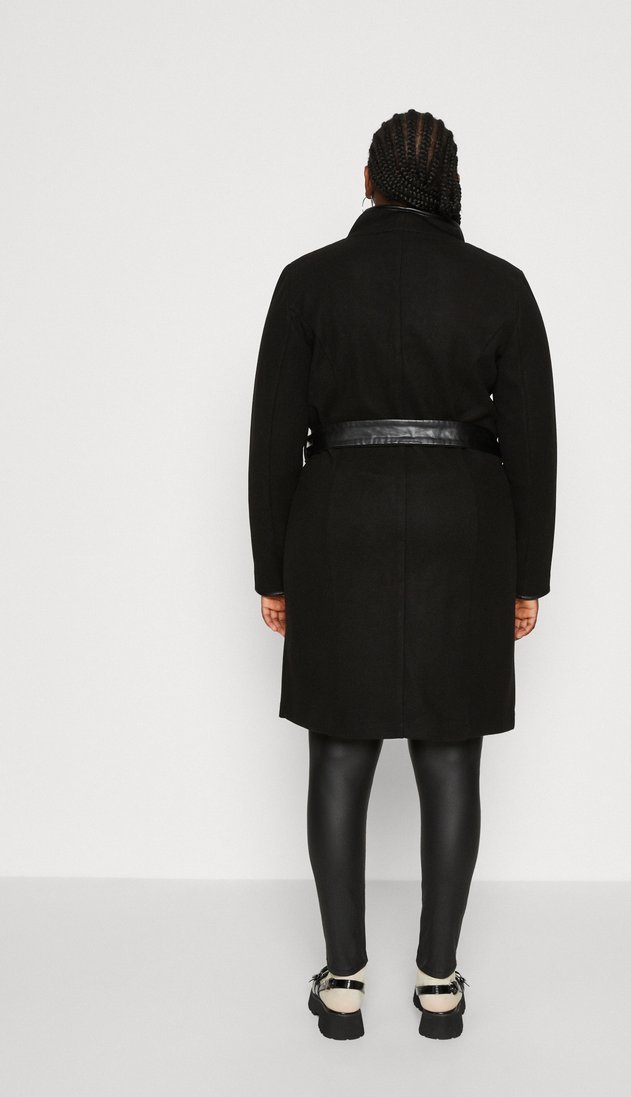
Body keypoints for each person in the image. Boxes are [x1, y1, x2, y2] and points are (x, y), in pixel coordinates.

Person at [248, 109, 557, 1040]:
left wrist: (273, 568)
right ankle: (439, 983)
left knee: (340, 750)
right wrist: (528, 575)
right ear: (449, 185)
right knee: (450, 753)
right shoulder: (500, 285)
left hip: (336, 524)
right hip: (466, 531)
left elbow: (272, 435)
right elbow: (534, 442)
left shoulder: (308, 281)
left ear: (369, 180)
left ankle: (343, 982)